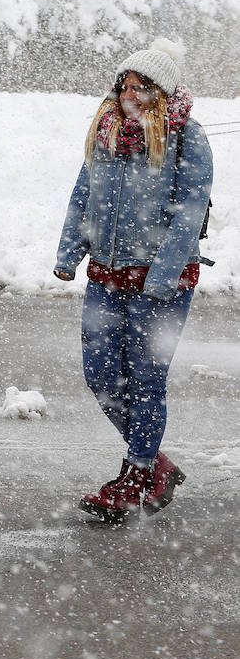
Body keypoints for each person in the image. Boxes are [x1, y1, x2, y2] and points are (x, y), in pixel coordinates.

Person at [54, 39, 213, 522]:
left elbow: (190, 213)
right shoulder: (106, 132)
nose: (129, 93)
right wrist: (69, 252)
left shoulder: (186, 137)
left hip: (159, 285)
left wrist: (160, 278)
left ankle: (138, 472)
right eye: (125, 83)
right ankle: (156, 463)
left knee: (146, 381)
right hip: (106, 276)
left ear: (160, 92)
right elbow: (83, 195)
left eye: (141, 86)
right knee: (100, 376)